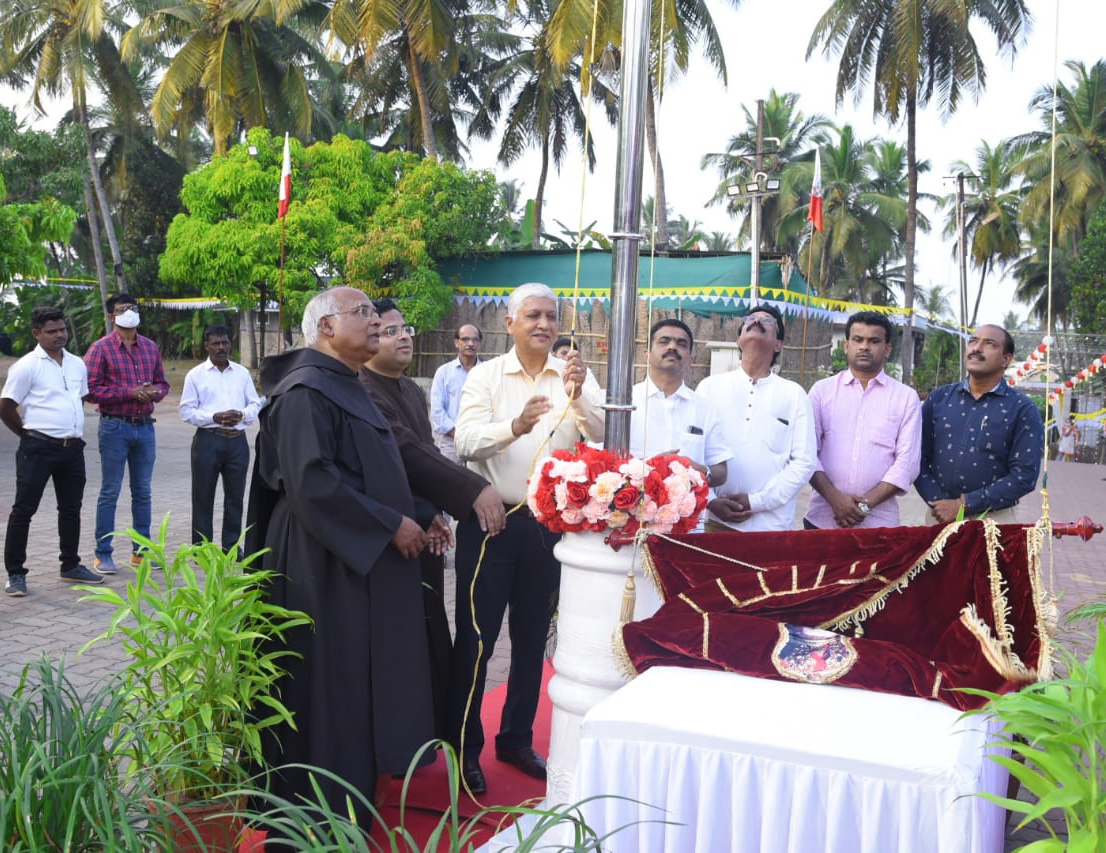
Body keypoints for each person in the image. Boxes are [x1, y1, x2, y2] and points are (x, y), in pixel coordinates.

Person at [245, 287, 433, 826]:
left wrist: (418, 511)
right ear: (326, 328)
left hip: (351, 556)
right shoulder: (306, 391)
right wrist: (389, 525)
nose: (378, 322)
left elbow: (368, 472)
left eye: (376, 313)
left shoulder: (344, 385)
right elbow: (312, 483)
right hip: (319, 563)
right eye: (364, 314)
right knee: (326, 688)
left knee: (353, 685)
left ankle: (348, 805)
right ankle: (313, 815)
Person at [448, 282, 604, 794]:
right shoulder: (487, 377)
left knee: (534, 639)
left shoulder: (574, 375)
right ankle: (464, 748)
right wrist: (513, 426)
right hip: (493, 524)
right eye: (532, 315)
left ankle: (515, 738)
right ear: (510, 323)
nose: (543, 324)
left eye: (551, 316)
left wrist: (579, 399)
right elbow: (465, 441)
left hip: (549, 527)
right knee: (476, 640)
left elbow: (604, 435)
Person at [360, 299, 505, 739]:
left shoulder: (408, 389)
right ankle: (395, 740)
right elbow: (401, 454)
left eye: (406, 328)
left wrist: (434, 513)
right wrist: (471, 490)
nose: (403, 336)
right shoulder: (364, 392)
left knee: (428, 630)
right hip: (386, 536)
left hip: (421, 529)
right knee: (394, 644)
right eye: (390, 331)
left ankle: (425, 733)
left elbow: (423, 455)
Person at [1, 306, 102, 596]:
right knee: (23, 510)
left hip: (72, 449)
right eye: (52, 331)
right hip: (38, 448)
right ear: (37, 334)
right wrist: (27, 435)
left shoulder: (76, 363)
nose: (60, 335)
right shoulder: (26, 366)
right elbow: (6, 406)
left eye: (62, 329)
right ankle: (16, 574)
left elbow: (77, 399)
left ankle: (70, 565)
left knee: (71, 509)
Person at [695, 303, 816, 532]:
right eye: (750, 319)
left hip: (770, 525)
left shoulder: (794, 394)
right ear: (739, 340)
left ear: (779, 344)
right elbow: (694, 451)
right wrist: (710, 499)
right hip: (713, 519)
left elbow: (804, 462)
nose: (757, 321)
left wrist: (756, 501)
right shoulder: (709, 387)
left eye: (767, 321)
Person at [916, 324, 1045, 524]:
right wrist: (938, 502)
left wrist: (963, 504)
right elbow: (917, 457)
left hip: (995, 521)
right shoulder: (939, 398)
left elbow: (1024, 476)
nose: (977, 348)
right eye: (973, 341)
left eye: (989, 344)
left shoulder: (1022, 409)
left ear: (1006, 359)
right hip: (938, 516)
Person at [805, 311, 922, 529]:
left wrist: (864, 507)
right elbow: (807, 453)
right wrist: (835, 500)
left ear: (887, 349)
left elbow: (907, 463)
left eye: (874, 341)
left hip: (879, 524)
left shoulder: (905, 397)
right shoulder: (822, 392)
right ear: (846, 345)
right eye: (858, 340)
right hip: (822, 519)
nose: (864, 347)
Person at [84, 293, 169, 574]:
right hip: (114, 426)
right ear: (111, 317)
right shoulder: (100, 349)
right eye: (122, 309)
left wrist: (153, 393)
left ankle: (141, 552)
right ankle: (103, 553)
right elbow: (91, 390)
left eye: (132, 308)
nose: (129, 313)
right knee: (110, 491)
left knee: (142, 492)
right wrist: (129, 392)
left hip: (145, 427)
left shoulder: (149, 347)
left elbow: (163, 383)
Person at [178, 325, 260, 551]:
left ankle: (231, 546)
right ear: (207, 346)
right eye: (215, 343)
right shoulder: (195, 375)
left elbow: (255, 403)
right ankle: (202, 548)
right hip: (208, 439)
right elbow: (186, 411)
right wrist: (214, 416)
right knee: (203, 496)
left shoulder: (242, 373)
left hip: (237, 441)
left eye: (224, 342)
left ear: (230, 344)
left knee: (235, 497)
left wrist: (242, 414)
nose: (221, 347)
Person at [629, 318, 730, 495]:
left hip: (688, 519)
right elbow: (602, 462)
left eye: (681, 343)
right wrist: (653, 466)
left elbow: (721, 472)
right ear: (646, 353)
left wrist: (699, 471)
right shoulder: (627, 402)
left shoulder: (706, 409)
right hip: (631, 514)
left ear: (691, 358)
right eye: (664, 341)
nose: (672, 347)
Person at [430, 323, 483, 463]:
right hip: (451, 443)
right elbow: (437, 411)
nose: (470, 343)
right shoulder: (443, 372)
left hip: (480, 443)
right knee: (449, 483)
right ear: (456, 342)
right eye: (465, 339)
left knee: (481, 483)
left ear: (479, 343)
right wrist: (458, 434)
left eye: (475, 340)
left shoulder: (488, 372)